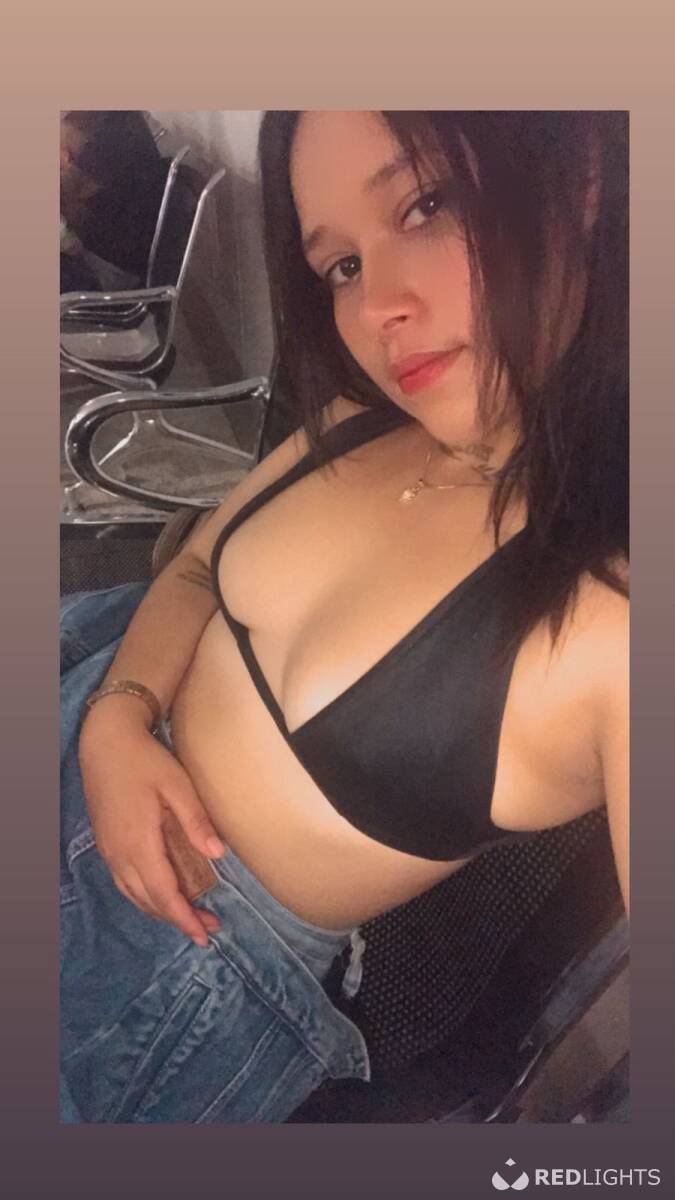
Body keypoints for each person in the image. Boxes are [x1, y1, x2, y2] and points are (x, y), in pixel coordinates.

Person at [60, 110, 628, 1123]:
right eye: (342, 267)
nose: (377, 309)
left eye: (425, 204)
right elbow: (197, 568)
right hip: (81, 705)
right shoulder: (367, 421)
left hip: (155, 973)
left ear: (580, 172)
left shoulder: (612, 626)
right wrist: (117, 716)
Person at [60, 110, 168, 285]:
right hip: (110, 250)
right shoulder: (112, 119)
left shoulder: (111, 136)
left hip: (113, 269)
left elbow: (71, 190)